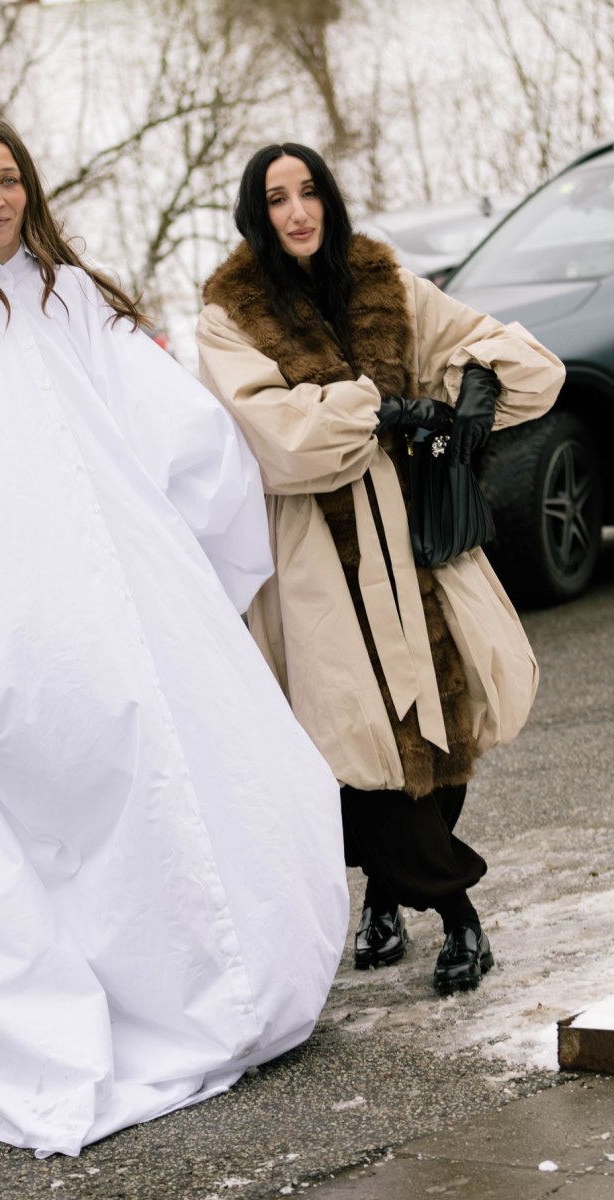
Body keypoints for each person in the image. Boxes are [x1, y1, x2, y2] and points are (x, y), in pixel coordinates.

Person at [0, 120, 349, 1157]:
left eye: (7, 178)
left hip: (115, 574)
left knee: (173, 756)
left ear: (31, 188)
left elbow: (170, 422)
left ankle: (206, 986)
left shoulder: (79, 300)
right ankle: (55, 1018)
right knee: (22, 788)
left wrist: (203, 500)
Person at [196, 143, 564, 995]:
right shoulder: (231, 315)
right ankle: (458, 911)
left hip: (418, 538)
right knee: (351, 735)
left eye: (310, 191)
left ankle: (385, 897)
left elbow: (509, 359)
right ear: (257, 213)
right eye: (278, 198)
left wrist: (468, 401)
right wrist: (381, 407)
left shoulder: (383, 284)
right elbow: (283, 439)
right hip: (316, 557)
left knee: (446, 721)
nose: (298, 211)